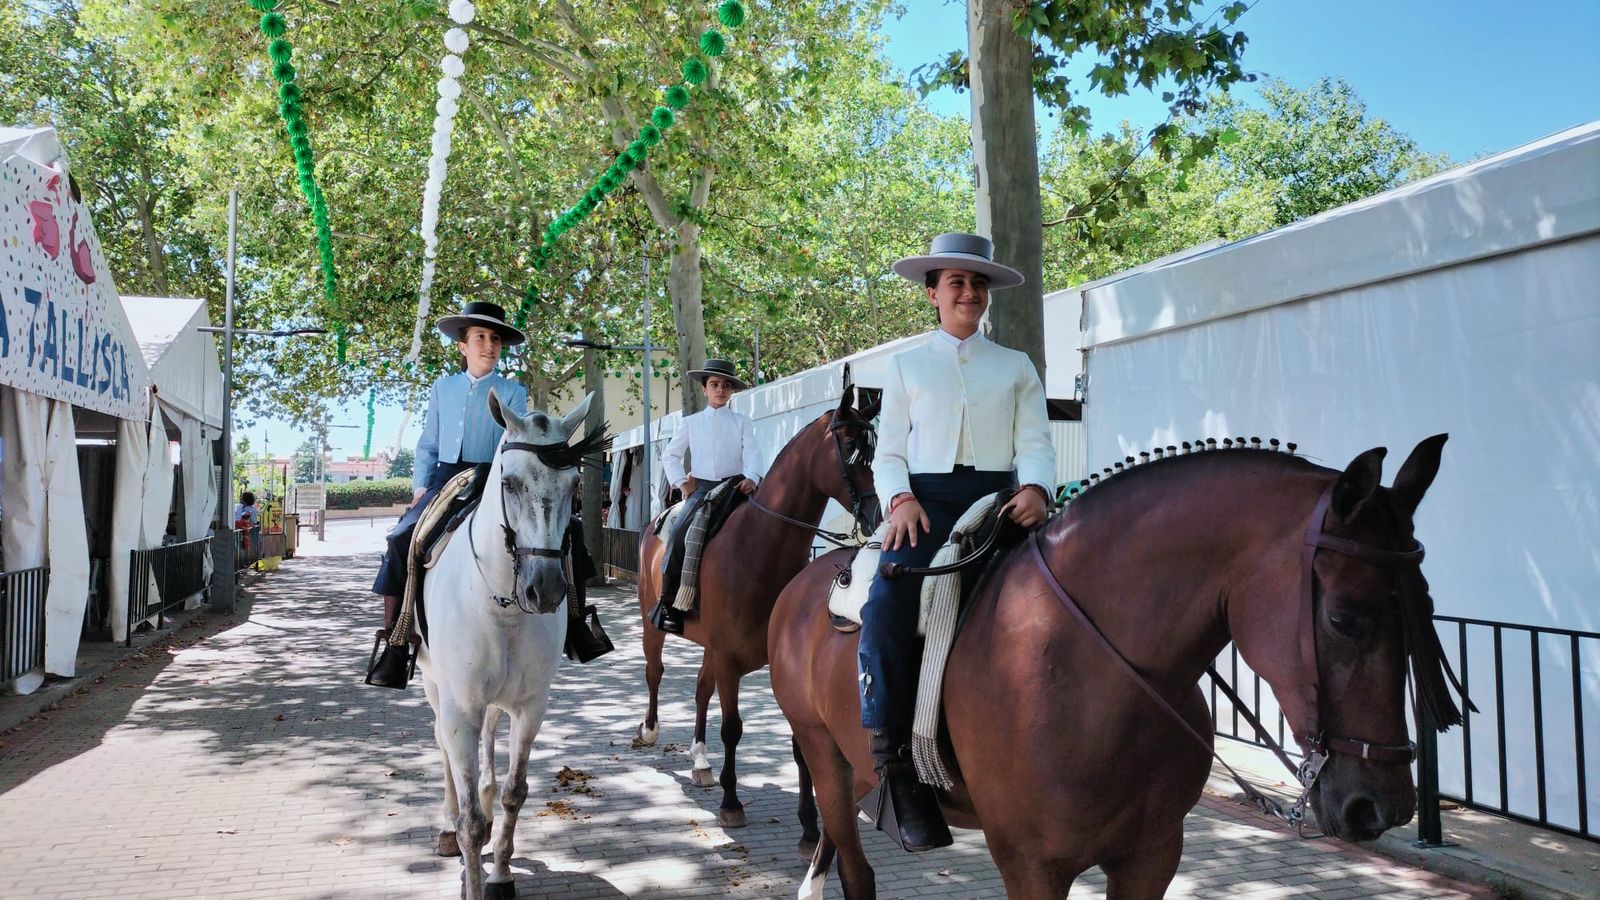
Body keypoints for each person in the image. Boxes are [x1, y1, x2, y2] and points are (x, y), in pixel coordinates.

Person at [861, 233, 1055, 852]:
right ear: (933, 295)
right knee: (887, 605)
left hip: (1002, 505)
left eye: (977, 284)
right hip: (924, 507)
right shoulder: (907, 366)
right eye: (956, 283)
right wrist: (900, 499)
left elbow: (1035, 442)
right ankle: (892, 761)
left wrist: (1037, 489)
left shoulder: (1017, 366)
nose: (968, 293)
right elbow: (887, 451)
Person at [371, 301, 528, 636]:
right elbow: (428, 442)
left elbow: (515, 442)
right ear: (463, 346)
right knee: (401, 538)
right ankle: (396, 631)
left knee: (563, 532)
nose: (489, 345)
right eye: (481, 337)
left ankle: (574, 622)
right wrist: (420, 488)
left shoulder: (514, 392)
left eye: (495, 339)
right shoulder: (442, 388)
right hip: (445, 482)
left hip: (493, 480)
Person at [650, 358, 764, 634]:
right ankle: (669, 604)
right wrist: (682, 483)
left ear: (731, 390)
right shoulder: (691, 422)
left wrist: (752, 477)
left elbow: (753, 453)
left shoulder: (742, 422)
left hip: (735, 488)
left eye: (726, 385)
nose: (720, 390)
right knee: (678, 535)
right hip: (700, 490)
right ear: (704, 389)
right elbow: (671, 455)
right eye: (714, 385)